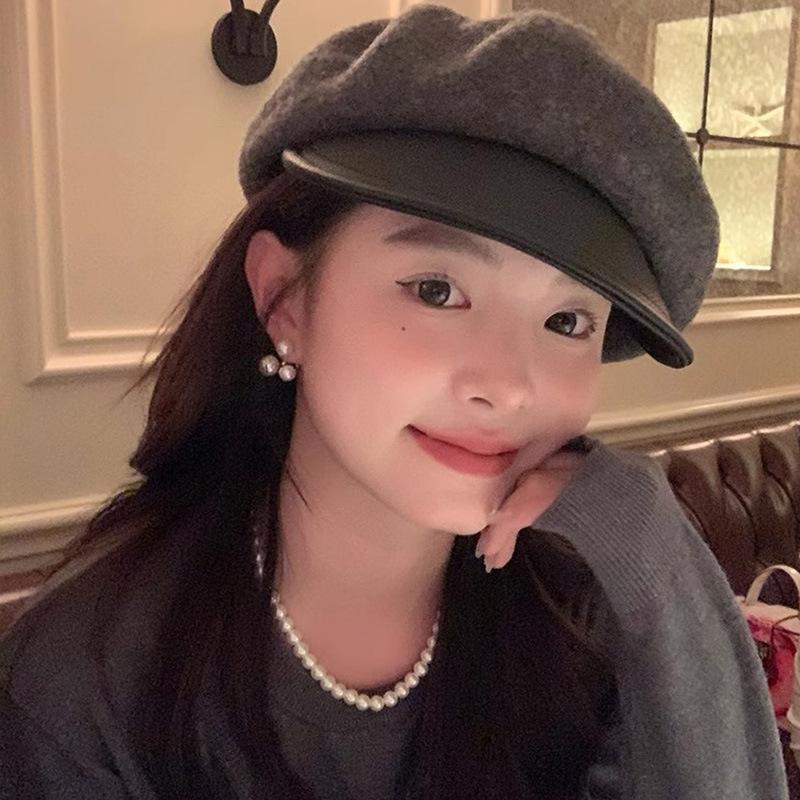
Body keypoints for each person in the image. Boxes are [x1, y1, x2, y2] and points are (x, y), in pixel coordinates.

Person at [0, 4, 788, 799]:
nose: (509, 385)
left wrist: (651, 546)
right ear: (283, 299)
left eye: (566, 321)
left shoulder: (579, 614)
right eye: (437, 289)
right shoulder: (88, 680)